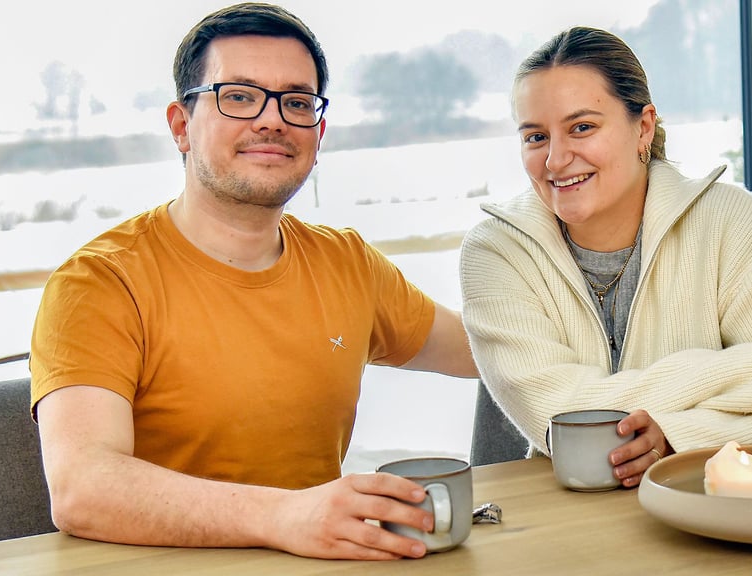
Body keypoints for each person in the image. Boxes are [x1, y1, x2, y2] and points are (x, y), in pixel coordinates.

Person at [30, 2, 477, 561]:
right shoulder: (99, 282)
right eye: (238, 96)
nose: (272, 120)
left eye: (295, 102)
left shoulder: (347, 262)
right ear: (180, 125)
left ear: (318, 131)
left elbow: (487, 350)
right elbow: (82, 489)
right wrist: (284, 515)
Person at [459, 26, 752, 489]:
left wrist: (675, 438)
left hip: (706, 514)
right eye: (535, 137)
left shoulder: (737, 225)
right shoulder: (495, 251)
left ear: (643, 127)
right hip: (556, 521)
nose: (556, 159)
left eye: (581, 127)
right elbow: (564, 415)